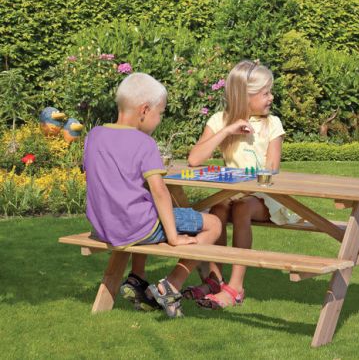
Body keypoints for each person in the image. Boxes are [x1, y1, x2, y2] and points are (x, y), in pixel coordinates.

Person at [84, 72, 222, 318]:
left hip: (104, 227)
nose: (159, 120)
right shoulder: (144, 143)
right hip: (137, 227)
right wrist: (173, 237)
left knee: (142, 206)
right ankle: (171, 284)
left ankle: (137, 279)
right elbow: (160, 191)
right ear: (144, 110)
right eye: (160, 113)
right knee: (213, 224)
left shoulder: (94, 136)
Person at [186, 60, 299, 309]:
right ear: (244, 96)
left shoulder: (272, 125)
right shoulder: (220, 120)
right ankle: (215, 280)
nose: (271, 97)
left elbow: (271, 171)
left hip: (266, 200)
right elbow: (194, 159)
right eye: (265, 93)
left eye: (270, 91)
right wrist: (227, 131)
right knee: (218, 209)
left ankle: (236, 287)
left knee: (241, 207)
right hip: (232, 195)